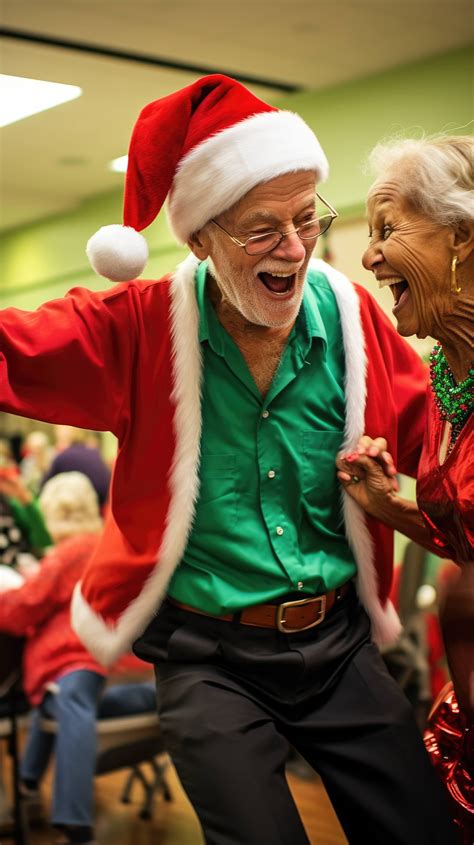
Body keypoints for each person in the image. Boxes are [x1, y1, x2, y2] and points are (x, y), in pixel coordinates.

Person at [0, 75, 457, 843]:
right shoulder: (137, 329)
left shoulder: (350, 323)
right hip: (208, 655)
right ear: (202, 238)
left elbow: (446, 442)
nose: (295, 248)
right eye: (261, 230)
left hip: (339, 645)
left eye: (307, 218)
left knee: (421, 828)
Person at [336, 135, 473, 839]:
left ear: (462, 237)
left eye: (388, 229)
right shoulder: (447, 381)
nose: (369, 254)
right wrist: (391, 503)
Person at [0, 471, 151, 845]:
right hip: (117, 656)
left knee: (67, 698)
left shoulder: (68, 553)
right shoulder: (101, 544)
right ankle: (30, 781)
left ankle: (73, 818)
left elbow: (24, 608)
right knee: (59, 701)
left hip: (76, 654)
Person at [41, 425, 111, 508]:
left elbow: (43, 490)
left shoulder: (64, 457)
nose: (56, 432)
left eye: (58, 429)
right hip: (101, 510)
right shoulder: (95, 453)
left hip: (78, 512)